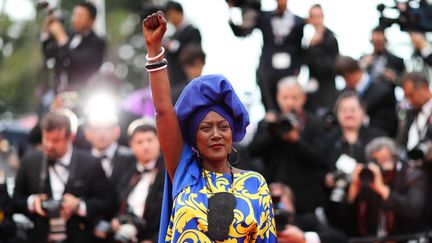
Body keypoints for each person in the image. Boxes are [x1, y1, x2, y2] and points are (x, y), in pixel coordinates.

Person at [142, 11, 277, 242]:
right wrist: (154, 51)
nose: (216, 134)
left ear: (232, 133)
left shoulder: (256, 184)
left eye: (223, 127)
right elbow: (164, 111)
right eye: (205, 128)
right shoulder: (185, 172)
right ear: (193, 138)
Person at [12, 110, 114, 243]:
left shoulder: (91, 163)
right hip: (38, 237)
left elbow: (108, 203)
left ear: (70, 137)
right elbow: (14, 201)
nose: (48, 145)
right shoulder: (30, 162)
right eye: (45, 138)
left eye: (55, 140)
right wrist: (32, 202)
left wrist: (79, 205)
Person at [249, 77, 325, 215]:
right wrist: (272, 132)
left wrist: (297, 140)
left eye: (294, 98)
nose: (290, 102)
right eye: (285, 97)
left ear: (303, 98)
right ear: (278, 97)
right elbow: (253, 151)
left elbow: (320, 158)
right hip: (273, 193)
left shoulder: (314, 123)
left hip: (305, 197)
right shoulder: (268, 123)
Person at [228, 0, 305, 112]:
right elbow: (243, 31)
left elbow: (300, 47)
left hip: (289, 72)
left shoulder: (299, 21)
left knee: (288, 100)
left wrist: (298, 67)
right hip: (268, 72)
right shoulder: (264, 17)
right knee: (270, 106)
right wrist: (232, 12)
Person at [345, 137, 427, 238]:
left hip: (403, 238)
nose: (381, 166)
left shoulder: (411, 175)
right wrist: (354, 186)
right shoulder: (368, 177)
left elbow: (413, 209)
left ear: (395, 158)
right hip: (369, 239)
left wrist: (382, 189)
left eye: (384, 160)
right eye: (376, 161)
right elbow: (345, 217)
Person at [109, 119, 165, 243]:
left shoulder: (168, 172)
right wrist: (115, 221)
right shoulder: (125, 170)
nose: (146, 146)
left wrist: (154, 240)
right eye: (139, 142)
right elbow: (114, 201)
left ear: (159, 141)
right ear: (131, 145)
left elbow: (174, 212)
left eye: (150, 140)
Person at [42, 2, 106, 92]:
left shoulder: (97, 42)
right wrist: (47, 33)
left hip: (86, 95)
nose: (75, 19)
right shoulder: (70, 36)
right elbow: (49, 54)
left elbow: (80, 62)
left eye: (80, 16)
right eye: (74, 15)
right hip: (60, 93)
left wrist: (62, 38)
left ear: (92, 20)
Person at [335, 55, 398, 137]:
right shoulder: (344, 93)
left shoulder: (382, 91)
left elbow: (389, 124)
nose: (346, 82)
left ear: (356, 72)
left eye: (347, 77)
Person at [270, 183, 347, 243]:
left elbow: (339, 238)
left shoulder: (307, 221)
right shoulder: (261, 228)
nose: (277, 207)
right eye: (272, 200)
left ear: (291, 203)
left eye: (278, 199)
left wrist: (304, 238)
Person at [304, 4, 339, 114]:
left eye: (318, 16)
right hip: (313, 92)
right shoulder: (309, 39)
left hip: (327, 92)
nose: (316, 20)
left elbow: (327, 67)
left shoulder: (330, 39)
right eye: (313, 17)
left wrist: (313, 47)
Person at [163, 1, 202, 87]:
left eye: (171, 14)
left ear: (179, 12)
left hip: (189, 80)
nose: (169, 18)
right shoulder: (172, 36)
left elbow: (195, 52)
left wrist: (174, 47)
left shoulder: (192, 31)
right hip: (175, 81)